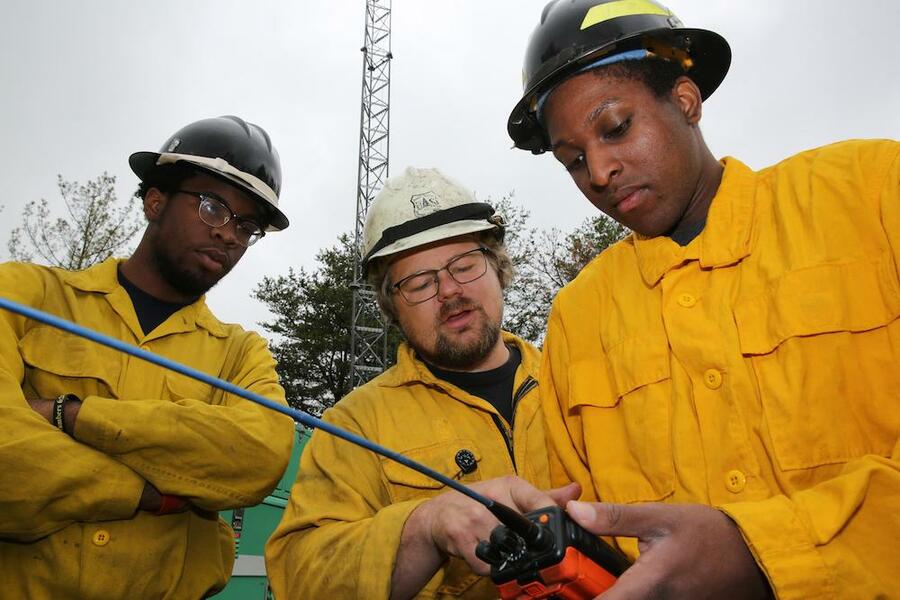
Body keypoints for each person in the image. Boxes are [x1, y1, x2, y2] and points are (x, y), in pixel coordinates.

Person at [505, 1, 900, 598]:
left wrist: (761, 550)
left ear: (685, 101)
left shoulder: (872, 193)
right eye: (574, 160)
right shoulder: (577, 320)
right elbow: (578, 538)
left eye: (615, 128)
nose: (601, 171)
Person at [0, 115, 296, 599]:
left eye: (247, 226)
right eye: (212, 207)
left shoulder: (240, 353)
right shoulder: (25, 297)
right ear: (155, 201)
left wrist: (67, 414)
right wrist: (149, 493)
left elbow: (259, 456)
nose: (229, 234)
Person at [265, 167, 573, 599]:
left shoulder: (578, 383)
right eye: (419, 284)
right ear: (391, 308)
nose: (448, 291)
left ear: (498, 268)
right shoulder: (354, 426)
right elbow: (301, 577)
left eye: (464, 265)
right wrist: (425, 526)